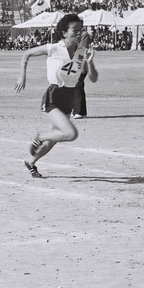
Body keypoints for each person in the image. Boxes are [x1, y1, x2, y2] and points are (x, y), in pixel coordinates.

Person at [14, 13, 98, 178]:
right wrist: (22, 75)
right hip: (53, 96)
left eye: (81, 30)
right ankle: (40, 137)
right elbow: (27, 53)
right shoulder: (54, 48)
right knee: (70, 134)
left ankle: (30, 161)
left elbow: (93, 78)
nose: (79, 33)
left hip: (69, 98)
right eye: (75, 30)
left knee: (54, 139)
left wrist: (90, 62)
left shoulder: (82, 52)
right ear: (64, 32)